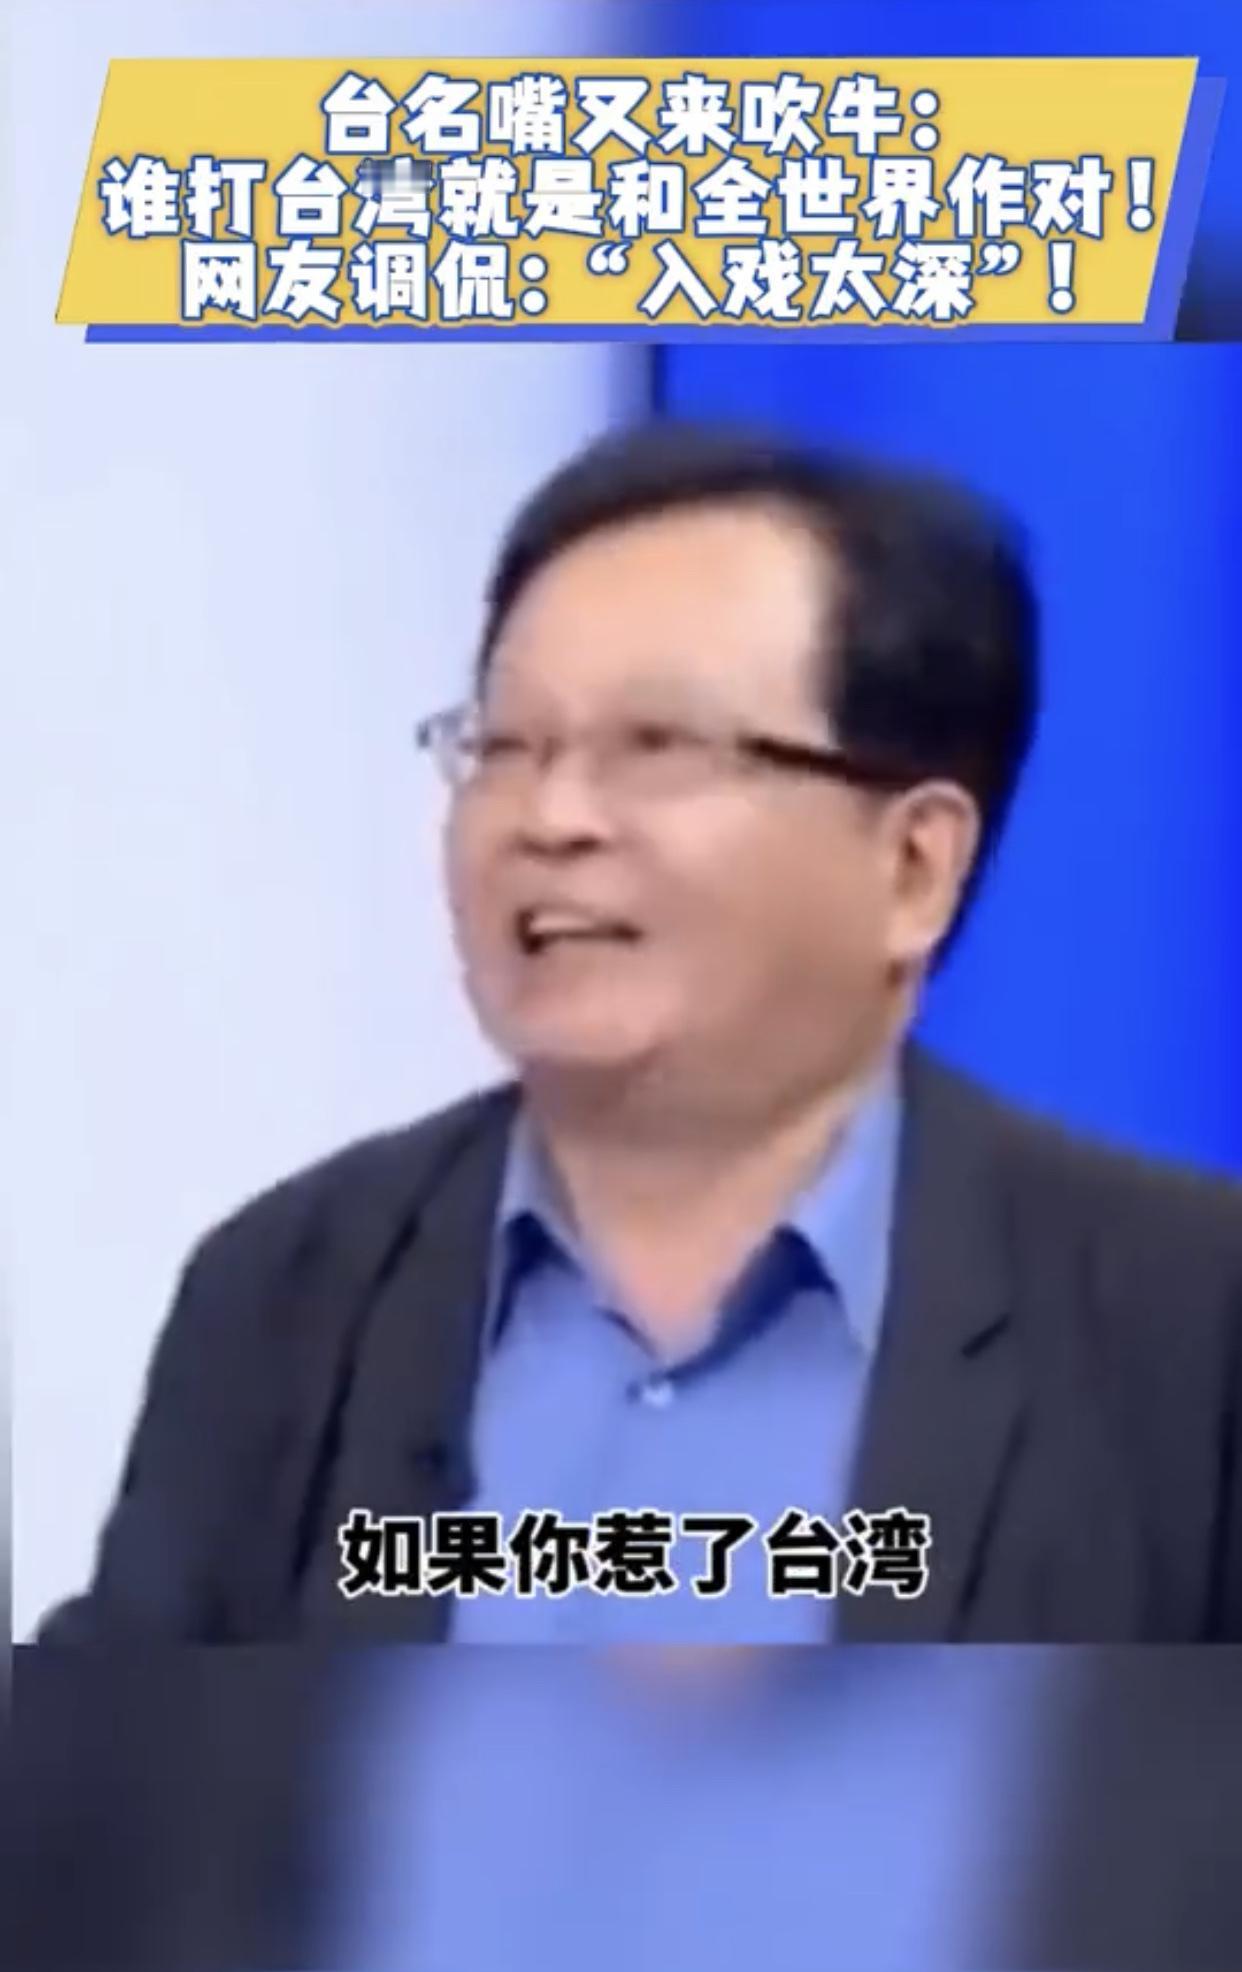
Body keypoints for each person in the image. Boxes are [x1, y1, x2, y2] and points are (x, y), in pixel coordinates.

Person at [38, 422, 1242, 1643]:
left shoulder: (1188, 1330)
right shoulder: (287, 1292)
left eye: (659, 746)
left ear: (913, 867)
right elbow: (131, 1757)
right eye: (506, 747)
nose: (551, 816)